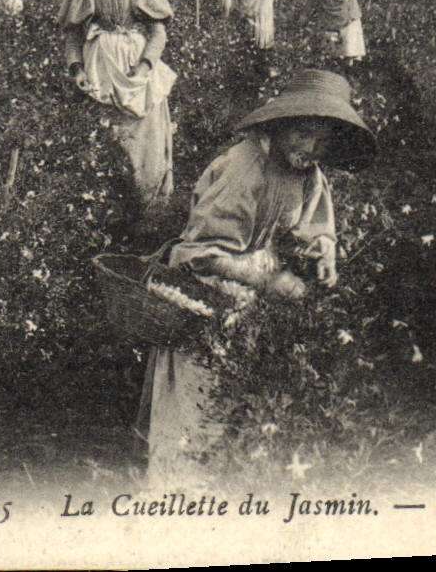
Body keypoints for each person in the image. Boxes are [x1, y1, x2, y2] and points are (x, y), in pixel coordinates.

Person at [139, 69, 372, 483]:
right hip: (207, 295)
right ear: (281, 126)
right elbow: (200, 254)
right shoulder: (246, 166)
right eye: (302, 134)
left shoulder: (307, 172)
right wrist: (270, 281)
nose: (311, 147)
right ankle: (178, 497)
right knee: (197, 407)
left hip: (249, 290)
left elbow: (314, 224)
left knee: (238, 404)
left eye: (322, 140)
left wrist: (323, 250)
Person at [60, 0, 178, 208]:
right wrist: (76, 69)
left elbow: (158, 32)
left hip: (135, 68)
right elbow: (72, 34)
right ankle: (107, 213)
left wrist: (145, 66)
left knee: (143, 143)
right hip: (99, 68)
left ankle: (149, 212)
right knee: (106, 139)